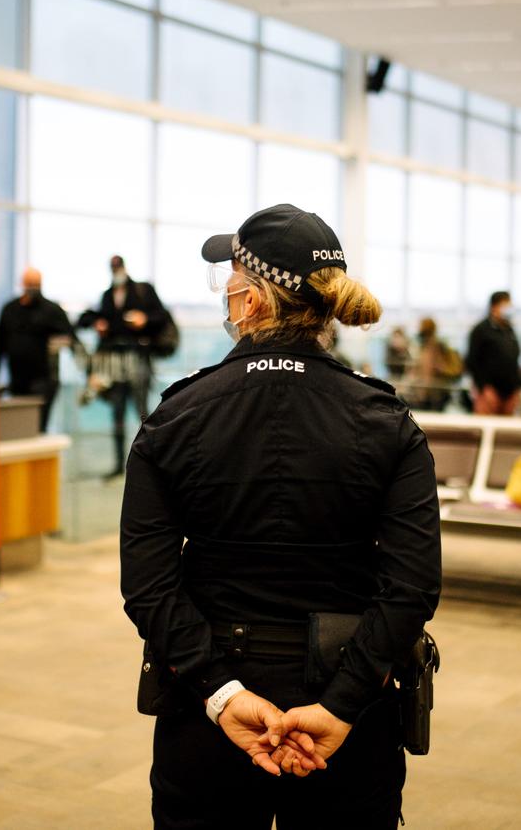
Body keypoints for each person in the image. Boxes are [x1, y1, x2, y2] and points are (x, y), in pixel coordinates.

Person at [120, 204, 442, 829]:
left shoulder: (177, 418)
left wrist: (224, 695)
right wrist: (342, 706)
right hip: (350, 714)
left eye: (232, 280)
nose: (228, 296)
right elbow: (412, 587)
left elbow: (149, 585)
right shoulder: (387, 424)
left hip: (206, 709)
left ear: (256, 301)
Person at [83, 255, 168, 480]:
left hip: (138, 356)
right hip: (115, 361)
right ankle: (119, 462)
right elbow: (93, 319)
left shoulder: (142, 290)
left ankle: (153, 460)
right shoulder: (107, 296)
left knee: (142, 411)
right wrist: (100, 326)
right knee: (117, 412)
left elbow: (162, 316)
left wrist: (144, 320)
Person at [0, 268, 75, 431]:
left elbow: (70, 337)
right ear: (22, 284)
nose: (32, 288)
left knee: (38, 427)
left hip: (43, 380)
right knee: (19, 426)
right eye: (29, 284)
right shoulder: (9, 309)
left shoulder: (52, 310)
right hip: (17, 380)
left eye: (36, 284)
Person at [466, 291, 521, 415]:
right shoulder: (480, 330)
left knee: (506, 432)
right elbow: (472, 361)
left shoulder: (509, 330)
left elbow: (514, 359)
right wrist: (484, 388)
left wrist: (516, 388)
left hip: (509, 393)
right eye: (505, 305)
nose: (508, 309)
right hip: (488, 393)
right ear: (494, 307)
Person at [406, 317, 461, 412]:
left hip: (436, 392)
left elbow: (430, 369)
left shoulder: (438, 347)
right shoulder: (424, 346)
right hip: (428, 392)